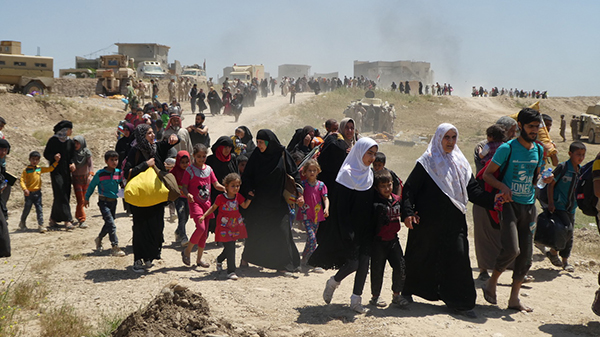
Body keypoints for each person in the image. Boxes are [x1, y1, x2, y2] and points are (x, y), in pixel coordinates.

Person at [401, 123, 496, 318]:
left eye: (454, 137)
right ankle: (407, 291)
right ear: (438, 139)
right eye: (447, 137)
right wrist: (408, 212)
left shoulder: (461, 163)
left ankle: (461, 303)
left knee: (458, 258)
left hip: (454, 222)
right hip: (427, 222)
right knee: (421, 255)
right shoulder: (427, 162)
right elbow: (409, 188)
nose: (451, 142)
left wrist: (494, 200)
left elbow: (474, 192)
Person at [482, 108, 546, 313]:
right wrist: (503, 188)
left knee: (526, 255)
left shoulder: (539, 150)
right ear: (520, 126)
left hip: (529, 206)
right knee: (512, 249)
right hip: (509, 205)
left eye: (537, 127)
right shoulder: (507, 148)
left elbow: (537, 178)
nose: (534, 131)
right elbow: (487, 175)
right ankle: (492, 282)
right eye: (530, 126)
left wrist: (545, 182)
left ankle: (514, 299)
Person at [309, 137, 378, 313]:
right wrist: (347, 230)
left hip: (366, 227)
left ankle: (356, 300)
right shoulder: (347, 173)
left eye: (374, 154)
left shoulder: (369, 174)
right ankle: (333, 282)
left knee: (364, 264)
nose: (372, 158)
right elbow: (341, 206)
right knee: (353, 263)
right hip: (348, 227)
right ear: (360, 152)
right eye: (369, 153)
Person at [239, 130, 303, 275]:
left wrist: (300, 193)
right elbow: (247, 176)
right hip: (259, 203)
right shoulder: (256, 155)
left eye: (262, 142)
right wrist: (248, 189)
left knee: (282, 231)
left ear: (269, 143)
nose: (259, 145)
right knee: (255, 232)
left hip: (278, 202)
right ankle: (245, 258)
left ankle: (284, 265)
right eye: (258, 142)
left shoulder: (281, 153)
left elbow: (294, 174)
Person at [124, 125, 179, 273]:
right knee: (140, 228)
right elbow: (127, 172)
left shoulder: (156, 148)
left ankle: (149, 257)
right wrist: (144, 165)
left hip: (156, 198)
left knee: (156, 227)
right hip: (140, 199)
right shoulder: (134, 151)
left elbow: (169, 143)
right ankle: (137, 260)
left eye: (152, 132)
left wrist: (174, 138)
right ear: (141, 135)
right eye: (148, 133)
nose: (152, 135)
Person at [198, 173, 253, 280]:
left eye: (238, 186)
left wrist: (250, 198)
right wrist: (204, 215)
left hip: (235, 225)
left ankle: (219, 259)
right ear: (226, 186)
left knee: (230, 246)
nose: (236, 188)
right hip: (224, 226)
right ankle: (231, 271)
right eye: (233, 185)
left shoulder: (238, 197)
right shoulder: (220, 198)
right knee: (230, 247)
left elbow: (245, 206)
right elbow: (213, 207)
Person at [543, 141, 586, 271]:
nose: (581, 157)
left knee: (569, 233)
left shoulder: (580, 171)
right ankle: (554, 252)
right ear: (570, 154)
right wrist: (551, 202)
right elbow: (551, 185)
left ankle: (564, 260)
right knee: (565, 229)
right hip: (559, 205)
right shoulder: (563, 168)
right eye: (578, 154)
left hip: (571, 207)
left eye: (583, 155)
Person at [181, 144, 225, 267]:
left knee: (204, 234)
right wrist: (188, 194)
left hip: (207, 205)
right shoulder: (189, 170)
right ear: (194, 156)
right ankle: (187, 251)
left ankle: (199, 259)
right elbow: (184, 187)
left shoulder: (209, 169)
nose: (201, 159)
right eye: (199, 156)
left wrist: (226, 189)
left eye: (204, 156)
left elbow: (216, 185)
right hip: (195, 204)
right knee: (200, 228)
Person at [369, 169, 406, 308]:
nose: (387, 188)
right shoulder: (375, 203)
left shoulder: (397, 201)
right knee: (377, 269)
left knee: (400, 266)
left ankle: (397, 295)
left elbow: (405, 212)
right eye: (383, 186)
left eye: (389, 185)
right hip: (378, 242)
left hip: (393, 240)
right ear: (377, 188)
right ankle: (375, 297)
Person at [86, 151, 126, 257]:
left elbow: (123, 184)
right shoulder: (100, 174)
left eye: (116, 160)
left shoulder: (118, 173)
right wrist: (86, 198)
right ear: (106, 161)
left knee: (109, 223)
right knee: (111, 224)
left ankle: (99, 238)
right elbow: (91, 186)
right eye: (111, 160)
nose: (114, 162)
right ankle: (115, 247)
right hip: (103, 202)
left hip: (114, 202)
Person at [296, 159, 329, 273]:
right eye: (309, 170)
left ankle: (304, 259)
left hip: (317, 215)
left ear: (318, 171)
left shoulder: (321, 185)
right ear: (305, 171)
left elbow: (325, 198)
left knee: (311, 239)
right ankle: (314, 262)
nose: (312, 172)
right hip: (306, 214)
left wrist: (326, 208)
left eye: (314, 170)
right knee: (312, 238)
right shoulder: (303, 185)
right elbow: (299, 196)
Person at [44, 120, 76, 229]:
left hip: (66, 172)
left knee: (64, 193)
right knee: (60, 191)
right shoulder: (53, 141)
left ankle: (53, 219)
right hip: (55, 171)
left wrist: (72, 163)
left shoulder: (70, 142)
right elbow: (46, 154)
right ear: (65, 130)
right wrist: (54, 157)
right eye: (70, 129)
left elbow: (72, 156)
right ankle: (67, 219)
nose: (71, 131)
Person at [19, 151, 59, 233]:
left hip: (38, 193)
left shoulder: (39, 168)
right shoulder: (26, 170)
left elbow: (50, 169)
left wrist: (56, 162)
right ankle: (22, 223)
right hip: (29, 193)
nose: (35, 161)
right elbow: (22, 180)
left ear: (39, 161)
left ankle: (41, 225)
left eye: (37, 159)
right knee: (27, 209)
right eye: (33, 159)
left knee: (39, 209)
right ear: (29, 159)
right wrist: (24, 189)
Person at [72, 136, 93, 229]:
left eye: (78, 143)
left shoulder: (86, 152)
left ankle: (77, 215)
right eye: (74, 143)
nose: (76, 145)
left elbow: (90, 164)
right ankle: (82, 220)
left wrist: (91, 174)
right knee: (80, 200)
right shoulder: (71, 153)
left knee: (83, 200)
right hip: (76, 179)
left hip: (86, 179)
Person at [170, 151, 191, 247]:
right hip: (179, 198)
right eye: (182, 162)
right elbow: (169, 179)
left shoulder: (191, 170)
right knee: (181, 216)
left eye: (187, 162)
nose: (185, 164)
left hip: (188, 197)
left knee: (186, 216)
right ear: (178, 162)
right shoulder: (174, 171)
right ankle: (183, 237)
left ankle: (178, 231)